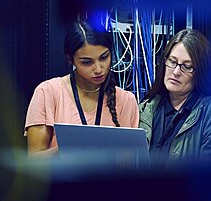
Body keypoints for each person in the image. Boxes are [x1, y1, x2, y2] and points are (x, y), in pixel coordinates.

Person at [24, 19, 139, 157]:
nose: (98, 69)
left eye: (104, 57)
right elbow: (34, 160)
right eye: (86, 62)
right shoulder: (48, 92)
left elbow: (128, 164)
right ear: (70, 60)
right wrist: (72, 147)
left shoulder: (126, 100)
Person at [139, 29, 211, 168]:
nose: (176, 72)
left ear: (201, 72)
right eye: (172, 62)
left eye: (187, 66)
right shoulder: (145, 109)